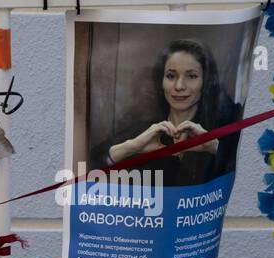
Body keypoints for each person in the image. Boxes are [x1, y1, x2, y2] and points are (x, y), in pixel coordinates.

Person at [92, 38, 240, 186]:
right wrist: (132, 147)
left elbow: (242, 177)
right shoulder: (144, 132)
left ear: (205, 81)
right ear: (161, 81)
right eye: (171, 76)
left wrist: (213, 148)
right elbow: (90, 167)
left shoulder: (225, 129)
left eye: (192, 76)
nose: (179, 86)